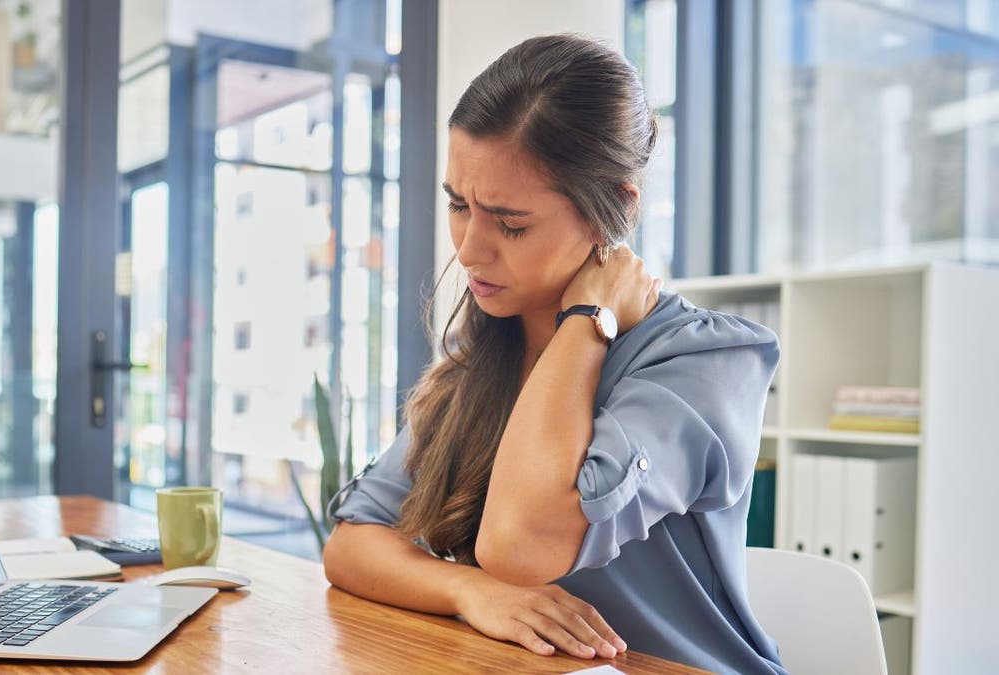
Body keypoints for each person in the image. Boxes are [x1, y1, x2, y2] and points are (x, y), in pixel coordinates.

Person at [322, 33, 785, 674]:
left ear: (614, 210)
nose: (470, 249)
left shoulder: (707, 362)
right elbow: (352, 544)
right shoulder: (486, 352)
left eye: (511, 223)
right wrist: (469, 590)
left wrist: (585, 324)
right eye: (459, 205)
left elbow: (520, 547)